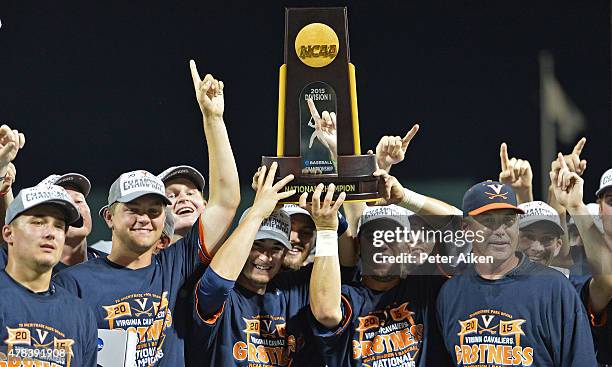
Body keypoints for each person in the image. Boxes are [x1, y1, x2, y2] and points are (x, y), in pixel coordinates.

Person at [54, 62, 241, 367]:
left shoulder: (174, 266)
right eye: (133, 209)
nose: (145, 218)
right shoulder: (74, 282)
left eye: (154, 211)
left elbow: (226, 202)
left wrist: (213, 119)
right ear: (109, 217)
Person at [436, 180, 597, 366]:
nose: (500, 231)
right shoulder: (450, 293)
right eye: (488, 221)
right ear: (466, 229)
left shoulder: (555, 288)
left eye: (508, 221)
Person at [190, 162, 328, 366]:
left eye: (276, 248)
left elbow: (346, 263)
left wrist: (323, 216)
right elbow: (217, 284)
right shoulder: (223, 296)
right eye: (257, 245)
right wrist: (258, 211)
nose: (265, 256)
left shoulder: (292, 290)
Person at [307, 202, 451, 366]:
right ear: (358, 246)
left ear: (407, 246)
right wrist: (326, 230)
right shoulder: (349, 297)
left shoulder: (426, 290)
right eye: (372, 236)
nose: (381, 244)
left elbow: (458, 225)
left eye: (391, 236)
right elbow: (326, 313)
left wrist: (404, 197)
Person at [0, 185, 97, 366]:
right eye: (38, 222)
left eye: (59, 226)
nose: (50, 233)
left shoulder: (81, 314)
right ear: (8, 233)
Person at [550, 162, 612, 365]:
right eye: (611, 201)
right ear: (600, 207)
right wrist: (574, 205)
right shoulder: (581, 261)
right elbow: (554, 262)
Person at [37, 173, 105, 273]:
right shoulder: (34, 275)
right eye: (65, 203)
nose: (75, 208)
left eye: (79, 201)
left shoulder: (110, 265)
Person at [158, 165, 207, 242]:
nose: (183, 198)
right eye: (171, 196)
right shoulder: (145, 253)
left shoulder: (229, 247)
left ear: (205, 206)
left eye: (190, 193)